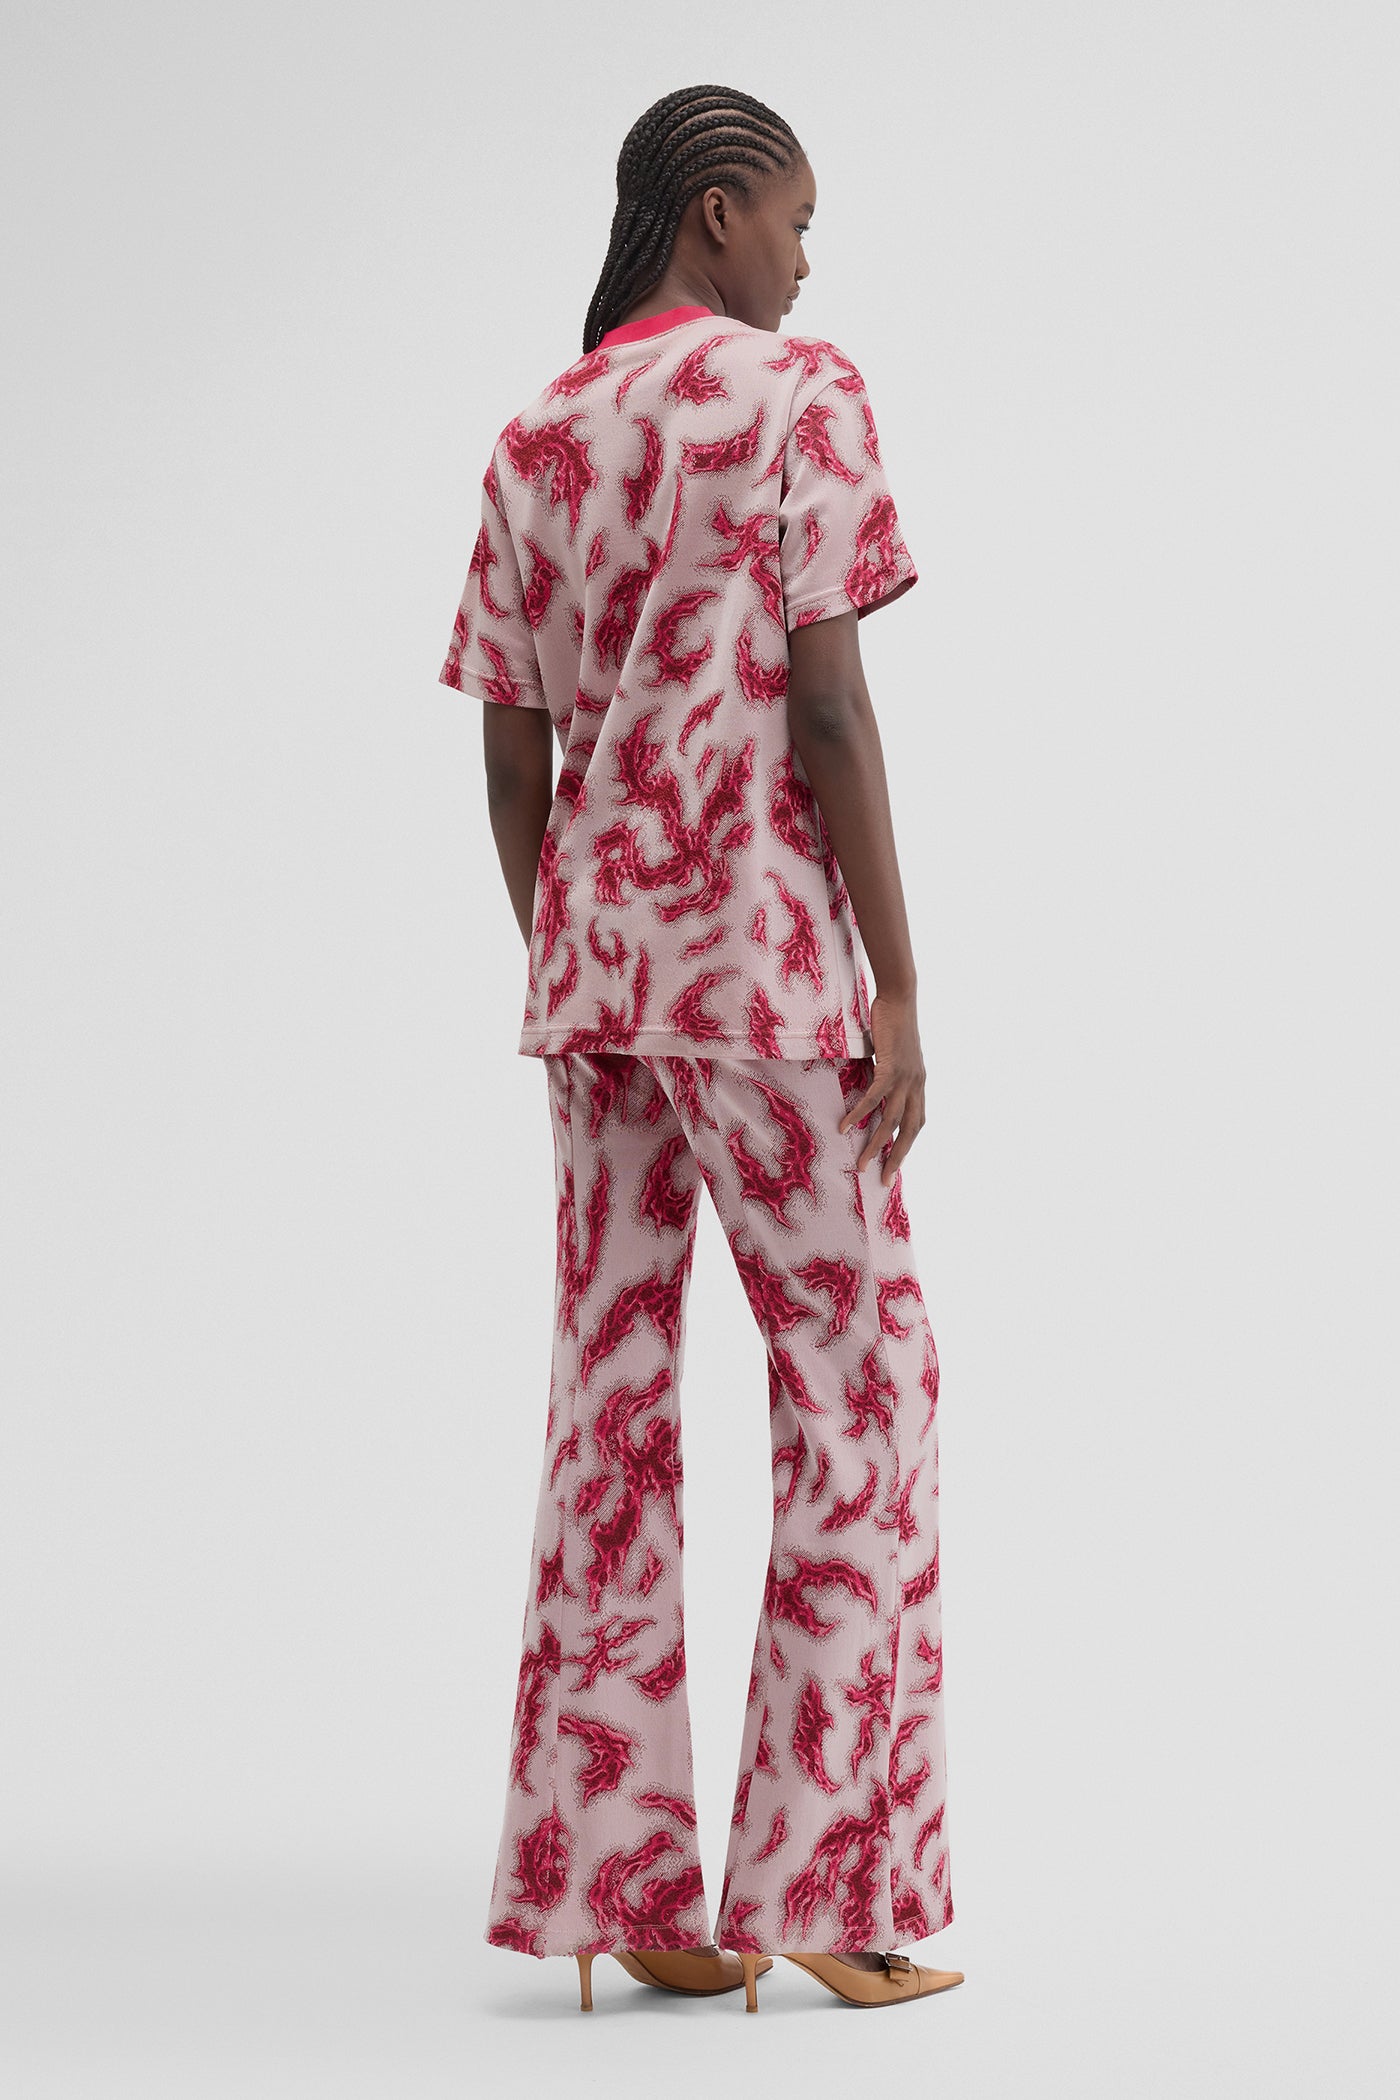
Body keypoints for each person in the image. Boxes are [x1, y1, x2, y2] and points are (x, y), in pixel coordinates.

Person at [438, 83, 963, 2015]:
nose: (808, 259)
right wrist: (897, 982)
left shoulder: (536, 434)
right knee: (863, 1384)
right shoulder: (797, 392)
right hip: (759, 969)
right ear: (719, 210)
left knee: (611, 1399)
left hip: (597, 982)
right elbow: (827, 708)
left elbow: (512, 751)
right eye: (797, 220)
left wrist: (576, 943)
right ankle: (829, 1878)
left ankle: (618, 1888)